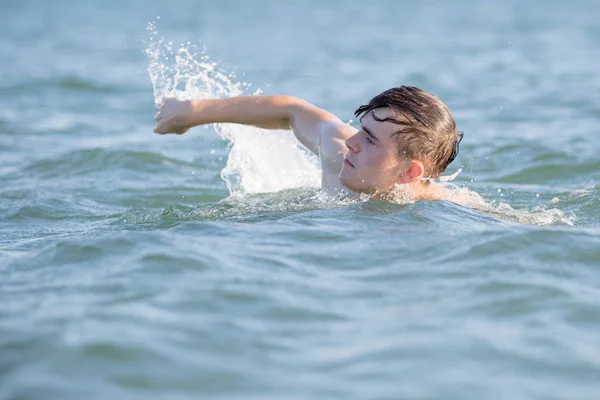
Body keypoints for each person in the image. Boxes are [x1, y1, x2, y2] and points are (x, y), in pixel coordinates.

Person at [153, 86, 463, 202]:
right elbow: (291, 109)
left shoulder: (438, 209)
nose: (351, 143)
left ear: (410, 173)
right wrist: (192, 113)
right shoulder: (339, 154)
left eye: (369, 140)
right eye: (360, 130)